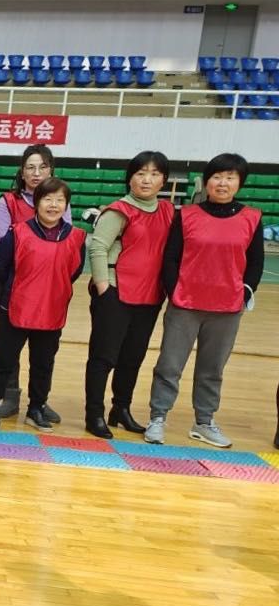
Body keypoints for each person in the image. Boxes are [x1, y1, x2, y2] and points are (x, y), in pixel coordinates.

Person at [144, 153, 263, 448]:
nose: (222, 183)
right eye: (217, 177)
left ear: (239, 183)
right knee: (169, 365)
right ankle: (158, 417)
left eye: (230, 177)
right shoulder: (186, 215)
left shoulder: (252, 218)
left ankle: (204, 421)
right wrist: (175, 291)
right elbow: (170, 257)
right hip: (185, 305)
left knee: (212, 369)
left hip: (227, 308)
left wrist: (244, 292)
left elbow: (255, 262)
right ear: (206, 181)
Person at [0, 178, 87, 432]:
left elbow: (73, 271)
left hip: (52, 310)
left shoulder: (76, 237)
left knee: (43, 364)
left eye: (60, 200)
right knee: (4, 360)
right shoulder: (18, 232)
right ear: (37, 202)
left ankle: (36, 408)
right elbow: (0, 266)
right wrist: (19, 289)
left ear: (66, 205)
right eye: (47, 199)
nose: (53, 205)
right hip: (16, 309)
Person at [83, 151, 174, 439]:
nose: (147, 179)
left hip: (149, 296)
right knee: (103, 357)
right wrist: (103, 287)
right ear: (130, 178)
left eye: (154, 174)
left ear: (163, 180)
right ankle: (94, 414)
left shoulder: (168, 212)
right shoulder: (118, 210)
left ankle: (120, 409)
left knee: (132, 358)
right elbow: (98, 247)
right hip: (116, 293)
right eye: (140, 173)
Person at [0, 145, 70, 424]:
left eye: (43, 167)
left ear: (51, 170)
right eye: (30, 167)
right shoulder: (8, 202)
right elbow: (3, 245)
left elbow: (67, 247)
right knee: (8, 346)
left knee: (44, 351)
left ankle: (39, 402)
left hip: (49, 289)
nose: (37, 173)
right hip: (13, 286)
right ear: (22, 172)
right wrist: (20, 280)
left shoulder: (60, 200)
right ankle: (9, 396)